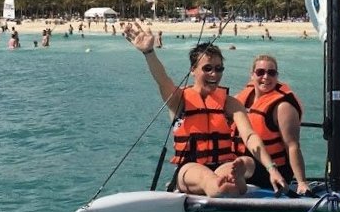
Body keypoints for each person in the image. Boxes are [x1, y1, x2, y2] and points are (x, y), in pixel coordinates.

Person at [123, 22, 287, 197]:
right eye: (207, 68)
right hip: (191, 168)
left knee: (246, 162)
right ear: (193, 70)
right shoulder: (179, 99)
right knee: (211, 181)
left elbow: (249, 136)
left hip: (224, 163)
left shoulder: (229, 103)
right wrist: (149, 52)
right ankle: (229, 185)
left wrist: (271, 168)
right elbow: (163, 79)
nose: (214, 74)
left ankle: (234, 180)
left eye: (219, 69)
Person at [234, 55, 310, 195]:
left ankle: (236, 183)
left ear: (277, 76)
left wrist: (302, 182)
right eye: (260, 72)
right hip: (242, 162)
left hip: (274, 172)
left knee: (242, 163)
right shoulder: (241, 98)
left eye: (271, 73)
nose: (266, 77)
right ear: (252, 75)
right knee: (230, 162)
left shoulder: (283, 107)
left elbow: (292, 146)